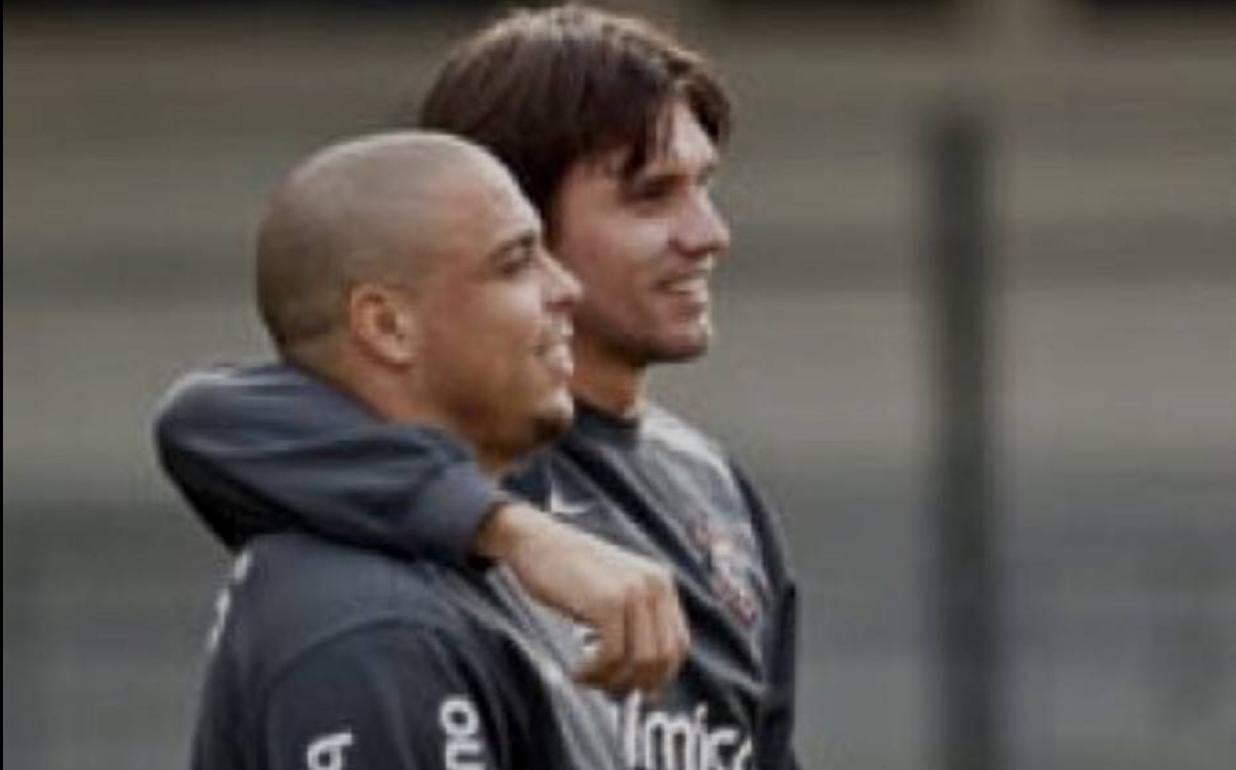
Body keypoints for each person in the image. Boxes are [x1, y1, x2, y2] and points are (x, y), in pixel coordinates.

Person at [157, 6, 800, 769]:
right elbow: (204, 419)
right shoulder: (426, 459)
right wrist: (511, 530)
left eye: (705, 186)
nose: (710, 233)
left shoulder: (714, 493)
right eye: (651, 196)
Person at [174, 131, 628, 769]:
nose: (566, 288)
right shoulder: (372, 626)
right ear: (387, 325)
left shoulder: (466, 558)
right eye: (515, 261)